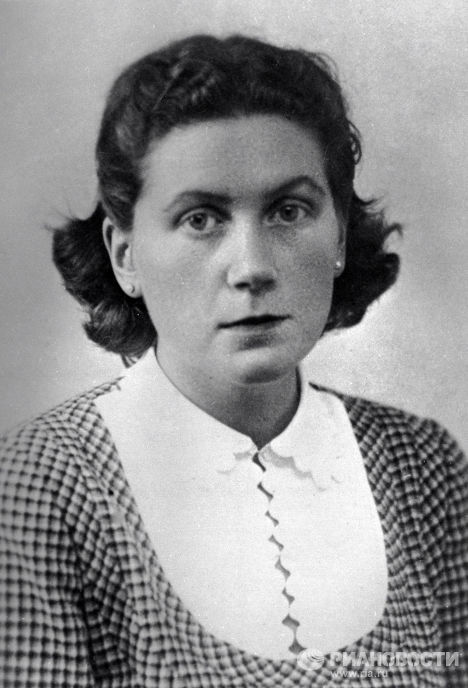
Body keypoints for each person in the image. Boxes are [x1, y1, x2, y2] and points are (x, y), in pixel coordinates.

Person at [0, 34, 466, 688]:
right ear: (125, 254)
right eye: (201, 219)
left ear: (337, 233)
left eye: (288, 211)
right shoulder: (40, 487)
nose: (252, 268)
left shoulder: (423, 468)